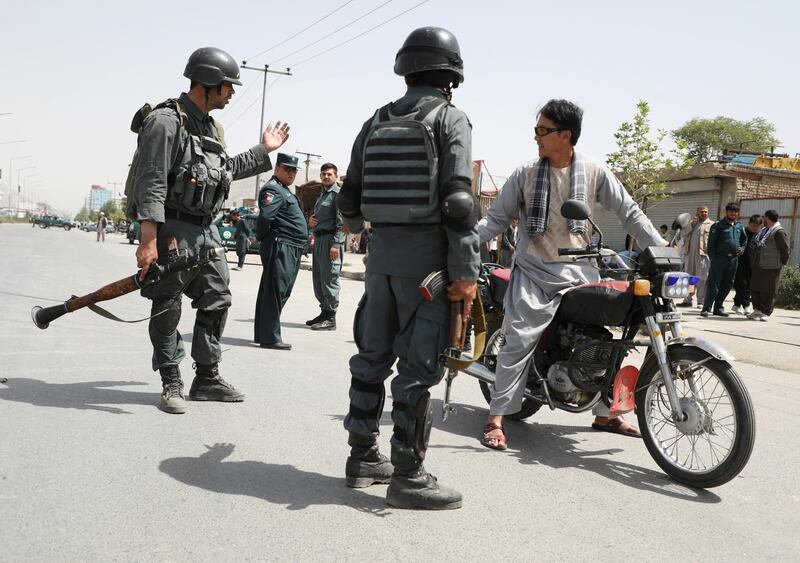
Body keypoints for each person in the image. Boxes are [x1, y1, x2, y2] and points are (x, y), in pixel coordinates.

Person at [336, 26, 479, 510]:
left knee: (371, 359)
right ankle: (408, 476)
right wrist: (465, 272)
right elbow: (459, 204)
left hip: (381, 263)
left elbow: (348, 198)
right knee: (417, 370)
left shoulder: (375, 120)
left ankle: (362, 458)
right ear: (451, 74)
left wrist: (369, 230)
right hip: (429, 269)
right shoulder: (451, 119)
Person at [477, 99, 665, 451]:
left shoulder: (595, 170)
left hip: (581, 270)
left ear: (566, 135)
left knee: (616, 332)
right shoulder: (525, 173)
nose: (536, 137)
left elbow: (629, 212)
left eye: (543, 130)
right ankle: (496, 417)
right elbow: (495, 221)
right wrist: (462, 243)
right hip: (534, 270)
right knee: (518, 338)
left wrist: (660, 247)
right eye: (537, 130)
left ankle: (606, 412)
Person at [133, 46, 290, 414]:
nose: (232, 92)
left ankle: (206, 377)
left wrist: (263, 150)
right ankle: (171, 378)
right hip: (172, 227)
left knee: (217, 298)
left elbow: (226, 169)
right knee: (167, 305)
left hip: (207, 231)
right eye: (227, 86)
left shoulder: (210, 127)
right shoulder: (166, 121)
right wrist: (148, 240)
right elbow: (152, 181)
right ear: (207, 83)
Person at [253, 153, 308, 350]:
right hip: (281, 245)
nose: (291, 173)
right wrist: (262, 238)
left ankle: (264, 333)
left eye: (294, 170)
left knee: (277, 290)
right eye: (287, 169)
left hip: (289, 246)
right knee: (276, 291)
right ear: (277, 168)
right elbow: (266, 217)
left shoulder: (283, 190)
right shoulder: (273, 189)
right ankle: (269, 337)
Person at [306, 163, 345, 331]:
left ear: (335, 176)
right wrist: (311, 223)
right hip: (320, 239)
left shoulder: (337, 195)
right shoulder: (322, 195)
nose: (326, 177)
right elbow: (317, 218)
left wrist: (336, 244)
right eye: (323, 174)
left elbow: (341, 223)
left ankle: (330, 318)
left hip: (331, 241)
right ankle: (324, 312)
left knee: (330, 278)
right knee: (319, 279)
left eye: (329, 174)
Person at [701, 202, 747, 317]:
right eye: (731, 211)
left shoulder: (739, 226)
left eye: (735, 211)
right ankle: (706, 308)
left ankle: (718, 308)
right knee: (713, 284)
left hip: (733, 260)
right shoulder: (718, 225)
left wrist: (742, 248)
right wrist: (714, 259)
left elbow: (744, 240)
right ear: (727, 212)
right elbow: (711, 245)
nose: (733, 213)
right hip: (719, 259)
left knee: (727, 284)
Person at [748, 209, 790, 321]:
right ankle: (757, 309)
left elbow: (785, 250)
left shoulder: (779, 232)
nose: (763, 219)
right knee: (755, 286)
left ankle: (765, 312)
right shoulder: (764, 230)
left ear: (768, 218)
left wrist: (783, 263)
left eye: (764, 217)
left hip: (772, 266)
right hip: (759, 264)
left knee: (768, 290)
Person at [677, 206, 713, 308]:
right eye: (702, 212)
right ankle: (688, 299)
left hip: (703, 254)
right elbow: (682, 234)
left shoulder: (712, 224)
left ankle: (701, 301)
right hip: (689, 253)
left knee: (702, 277)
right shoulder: (691, 223)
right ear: (697, 213)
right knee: (690, 277)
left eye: (706, 212)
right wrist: (691, 225)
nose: (704, 213)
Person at [731, 214, 761, 315]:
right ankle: (746, 305)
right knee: (743, 285)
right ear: (749, 223)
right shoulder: (742, 233)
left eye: (757, 226)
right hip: (740, 264)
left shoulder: (758, 235)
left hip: (752, 265)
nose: (754, 228)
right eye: (753, 225)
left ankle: (736, 305)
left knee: (747, 286)